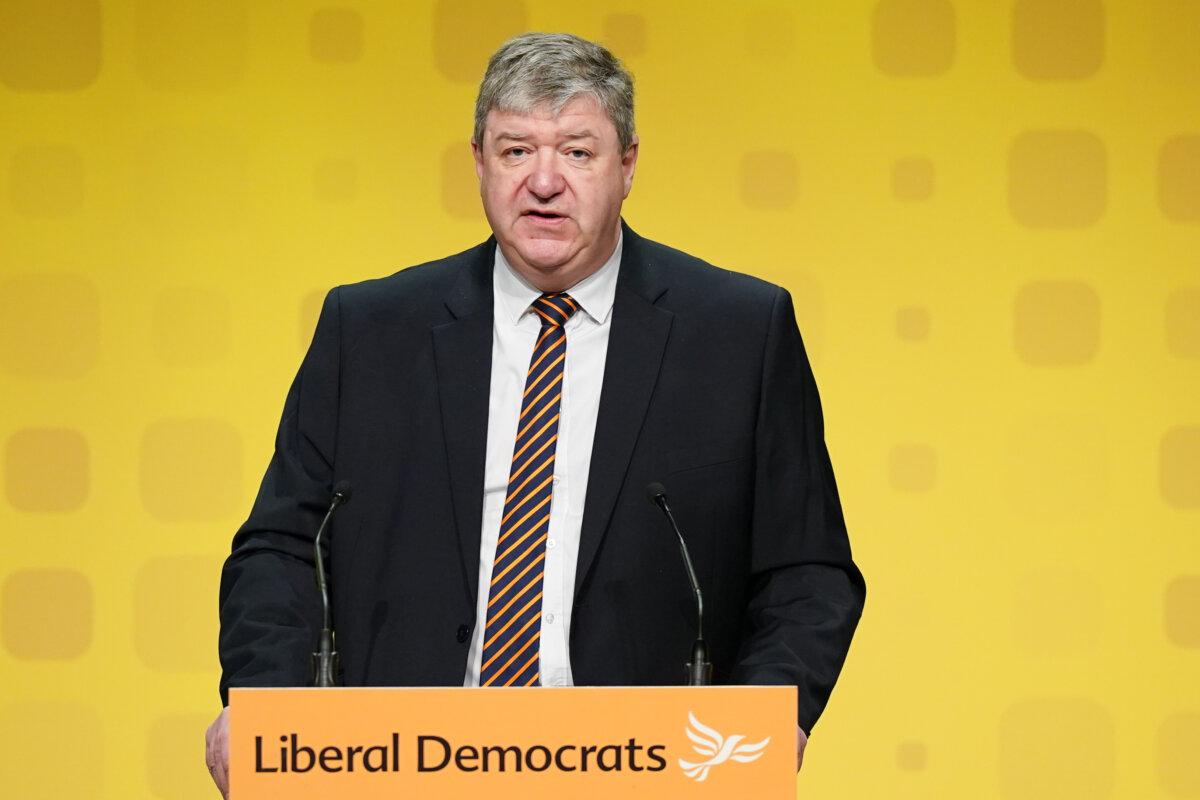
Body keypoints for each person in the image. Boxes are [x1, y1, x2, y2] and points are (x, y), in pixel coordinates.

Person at [205, 31, 865, 796]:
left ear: (628, 166)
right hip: (400, 763)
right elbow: (282, 547)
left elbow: (808, 569)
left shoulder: (738, 331)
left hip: (647, 770)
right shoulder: (371, 330)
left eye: (578, 152)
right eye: (516, 151)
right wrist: (264, 703)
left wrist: (764, 711)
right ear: (479, 163)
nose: (544, 181)